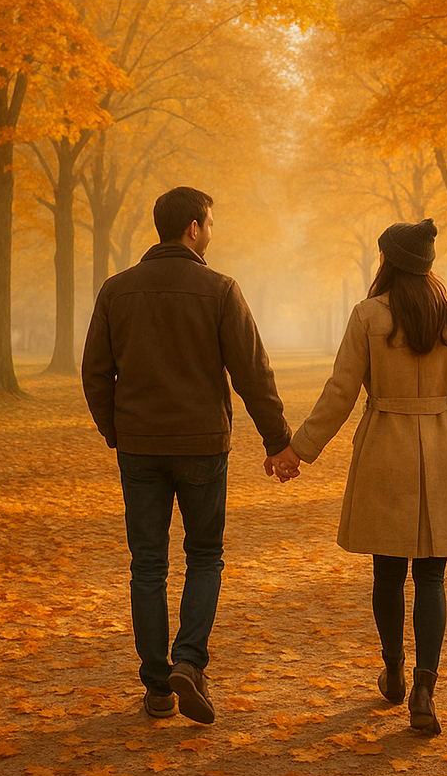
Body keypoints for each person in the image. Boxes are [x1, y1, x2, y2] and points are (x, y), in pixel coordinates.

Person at [267, 218, 447, 735]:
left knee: (388, 574)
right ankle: (424, 687)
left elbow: (340, 392)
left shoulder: (369, 315)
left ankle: (393, 670)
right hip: (443, 452)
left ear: (389, 260)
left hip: (384, 452)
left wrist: (297, 451)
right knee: (432, 577)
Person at [82, 186, 294, 724]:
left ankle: (157, 685)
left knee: (147, 564)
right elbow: (253, 371)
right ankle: (189, 661)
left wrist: (118, 432)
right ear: (194, 228)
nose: (211, 233)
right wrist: (278, 442)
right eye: (211, 224)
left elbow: (94, 373)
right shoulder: (219, 289)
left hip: (140, 448)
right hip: (202, 446)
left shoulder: (116, 290)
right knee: (204, 557)